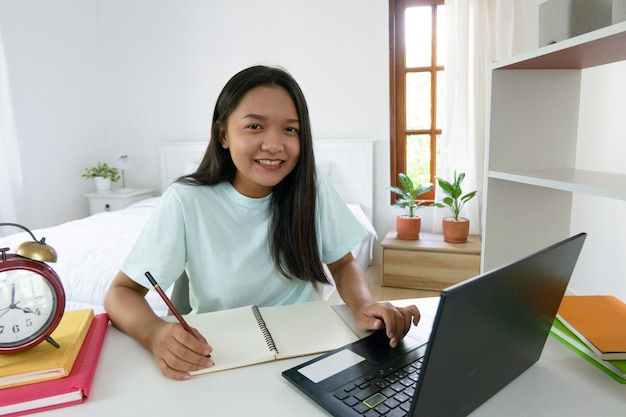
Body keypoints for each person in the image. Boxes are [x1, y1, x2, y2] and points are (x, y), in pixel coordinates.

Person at [104, 65, 420, 380]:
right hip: (220, 358)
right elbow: (121, 293)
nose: (273, 144)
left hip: (308, 348)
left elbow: (342, 264)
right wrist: (156, 334)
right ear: (223, 135)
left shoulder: (311, 186)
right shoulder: (185, 201)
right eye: (255, 127)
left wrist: (364, 305)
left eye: (290, 129)